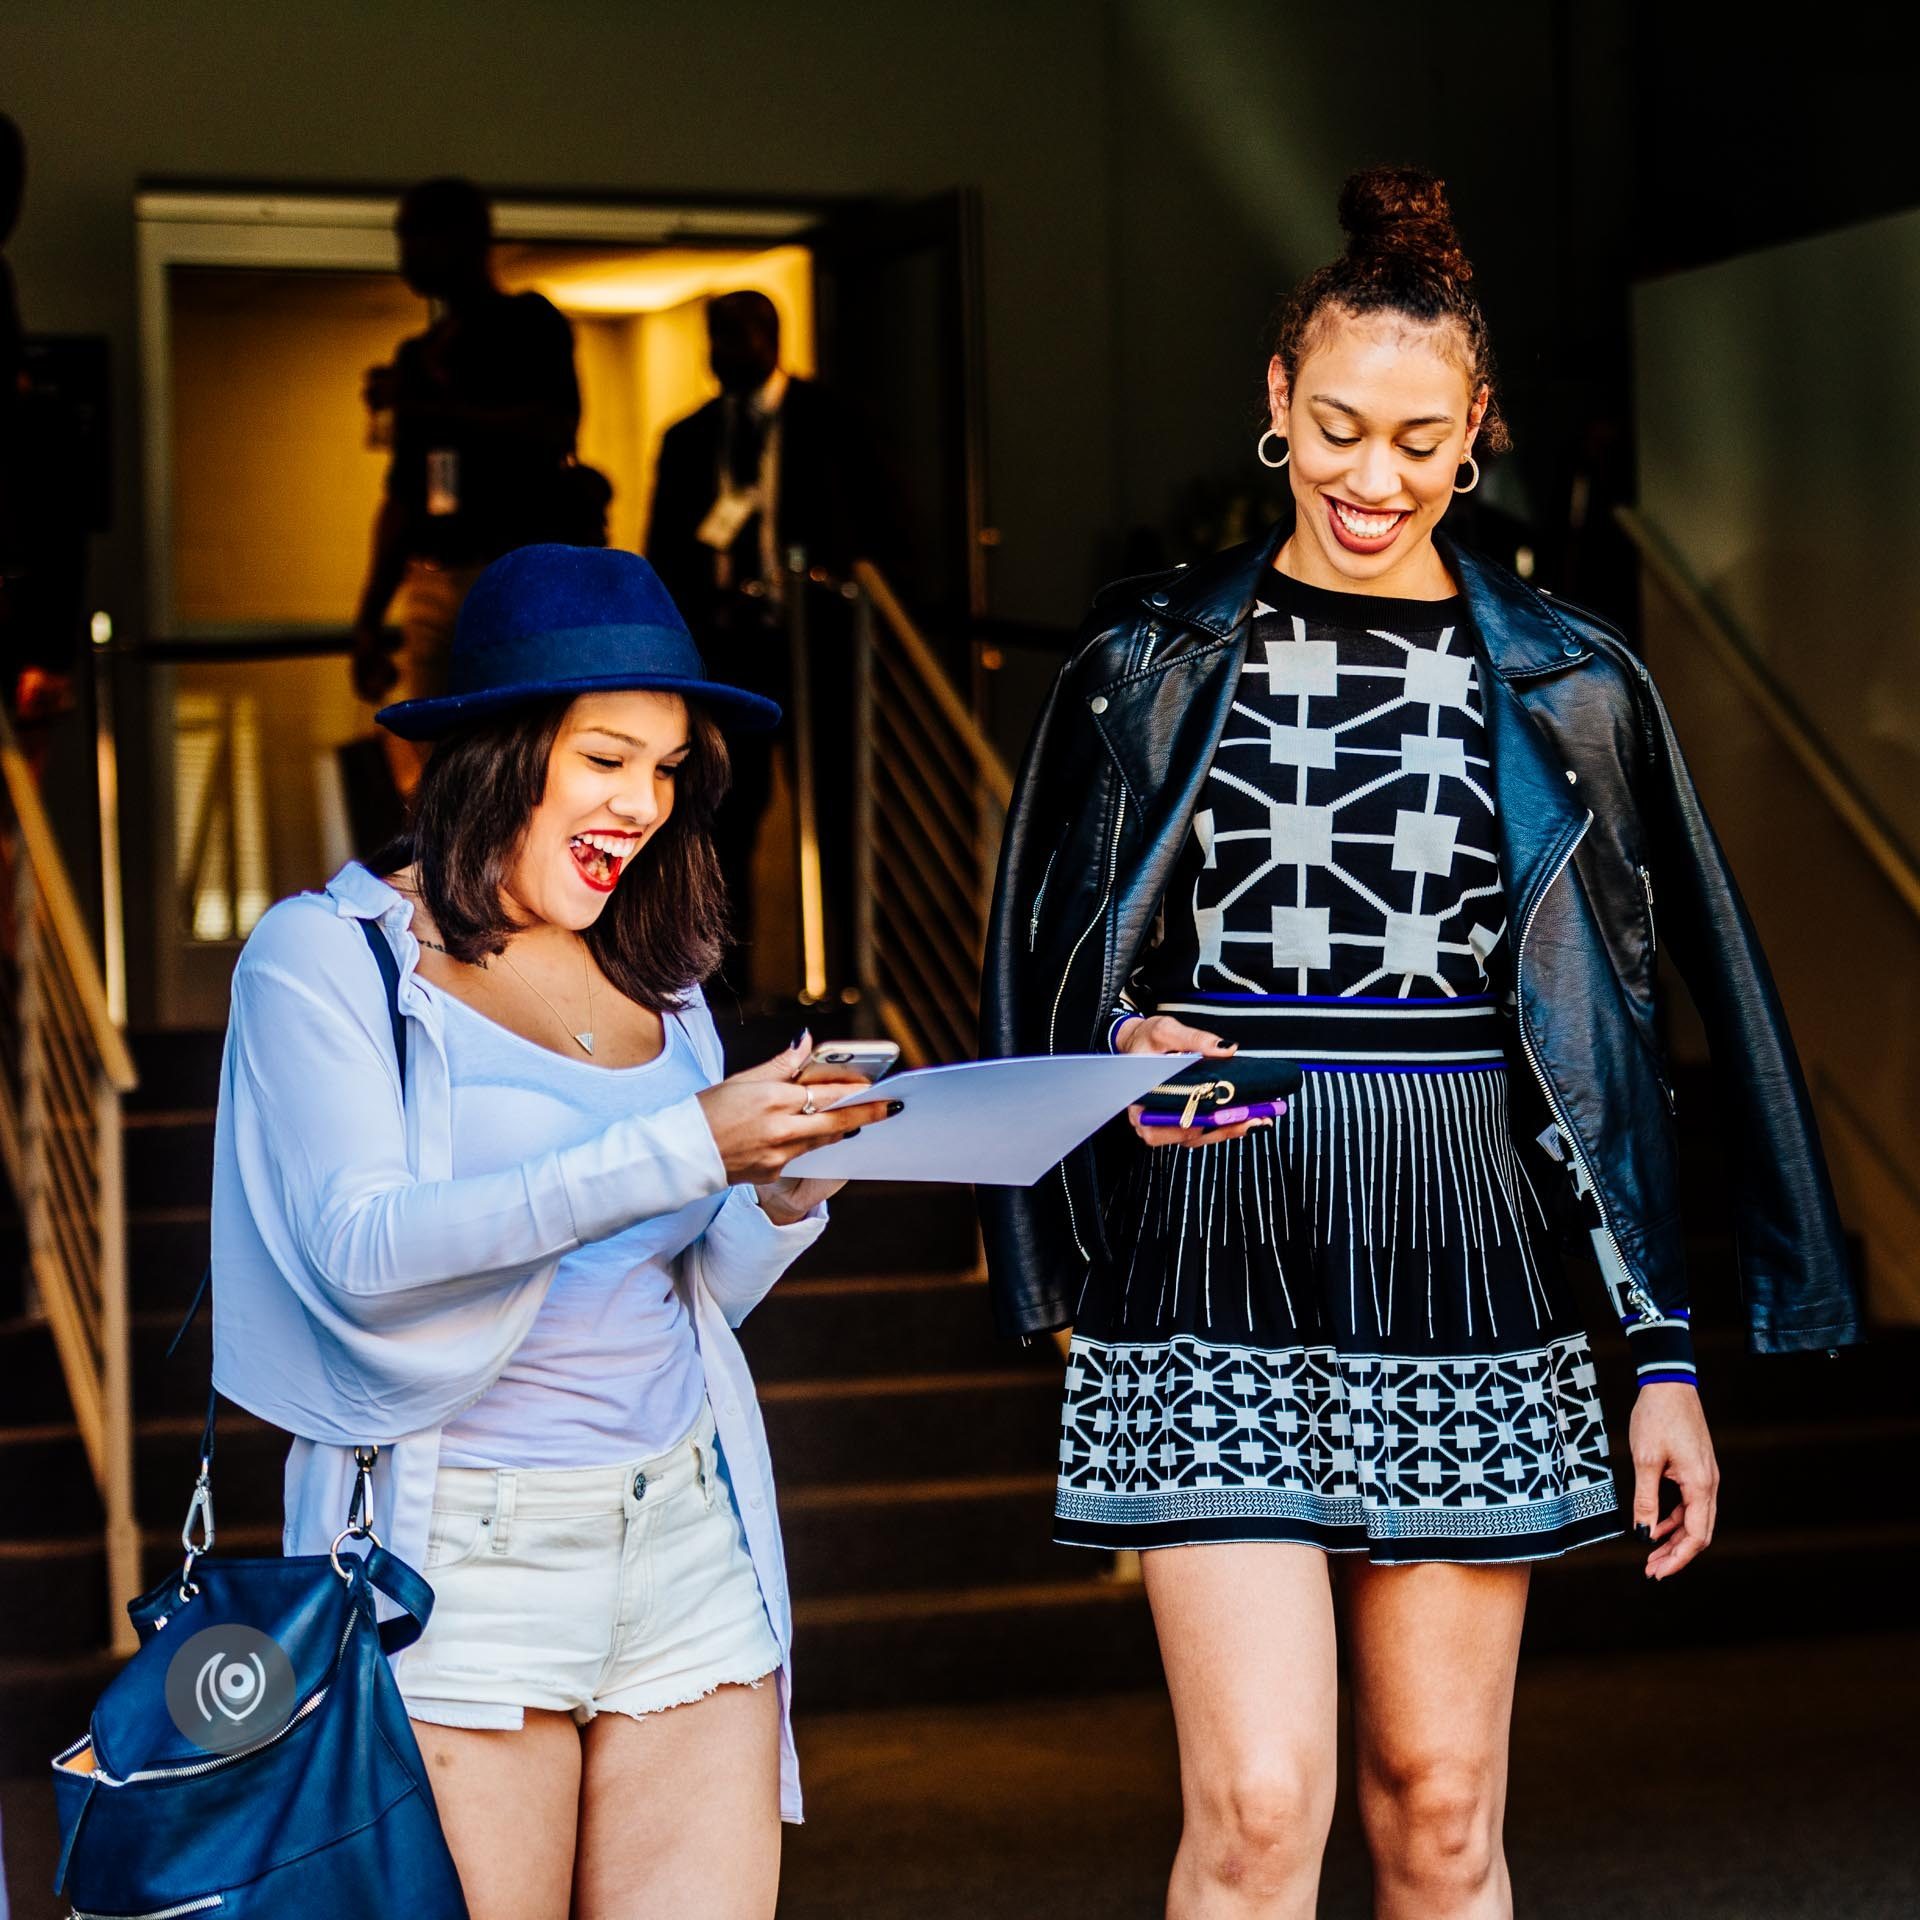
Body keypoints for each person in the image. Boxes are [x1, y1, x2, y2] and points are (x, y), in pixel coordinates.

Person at [980, 167, 1857, 1918]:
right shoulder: (1148, 660)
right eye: (1334, 427)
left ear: (1480, 441)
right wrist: (1123, 1042)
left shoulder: (1571, 682)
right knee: (1254, 1806)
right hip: (1219, 1241)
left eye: (1418, 439)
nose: (1370, 478)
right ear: (1273, 410)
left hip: (1473, 1245)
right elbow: (1050, 956)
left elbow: (1630, 1031)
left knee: (1441, 1812)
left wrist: (1664, 1357)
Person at [213, 544, 897, 1919]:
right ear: (496, 752)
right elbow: (361, 1250)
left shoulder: (664, 975)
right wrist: (686, 1141)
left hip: (689, 1543)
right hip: (456, 1563)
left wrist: (776, 1197)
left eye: (668, 769)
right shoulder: (325, 958)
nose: (643, 803)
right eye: (605, 759)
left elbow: (675, 1284)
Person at [646, 290, 863, 993]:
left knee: (833, 813)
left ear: (772, 337)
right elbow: (664, 552)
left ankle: (846, 979)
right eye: (715, 337)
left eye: (737, 335)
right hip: (725, 654)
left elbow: (882, 532)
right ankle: (726, 987)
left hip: (814, 649)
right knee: (722, 818)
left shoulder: (831, 421)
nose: (725, 352)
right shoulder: (689, 437)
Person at [351, 177, 595, 794]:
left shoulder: (528, 326)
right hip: (435, 572)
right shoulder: (420, 352)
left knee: (516, 755)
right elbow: (406, 493)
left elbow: (550, 431)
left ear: (463, 240)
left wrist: (428, 406)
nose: (406, 255)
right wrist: (370, 617)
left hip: (513, 572)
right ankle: (450, 884)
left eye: (417, 237)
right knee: (434, 766)